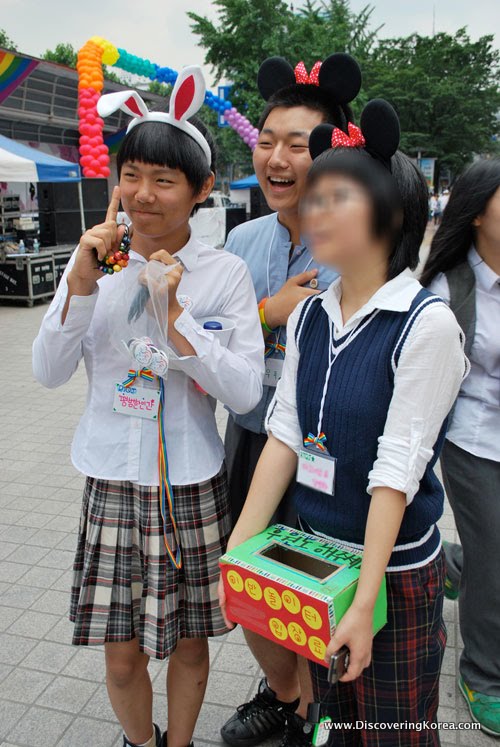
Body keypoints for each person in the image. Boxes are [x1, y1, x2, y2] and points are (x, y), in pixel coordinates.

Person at [220, 99, 468, 746]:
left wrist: (363, 606)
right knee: (332, 722)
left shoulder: (426, 324)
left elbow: (397, 469)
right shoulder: (309, 314)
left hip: (391, 574)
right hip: (315, 555)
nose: (315, 210)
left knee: (392, 729)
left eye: (340, 198)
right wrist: (238, 556)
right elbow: (284, 433)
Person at [32, 67, 264, 747]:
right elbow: (46, 372)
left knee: (191, 645)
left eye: (164, 180)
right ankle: (140, 742)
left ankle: (180, 743)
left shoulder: (222, 273)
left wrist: (177, 319)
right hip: (110, 479)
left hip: (192, 483)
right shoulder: (99, 262)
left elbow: (247, 393)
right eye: (131, 175)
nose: (142, 194)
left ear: (200, 190)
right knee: (120, 649)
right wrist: (78, 285)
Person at [221, 54, 362, 747]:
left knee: (316, 591)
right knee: (249, 580)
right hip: (248, 436)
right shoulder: (242, 240)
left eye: (298, 144)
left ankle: (320, 708)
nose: (276, 157)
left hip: (325, 454)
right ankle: (284, 696)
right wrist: (265, 312)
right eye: (267, 138)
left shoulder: (358, 244)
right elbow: (206, 332)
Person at [421, 158, 500, 737]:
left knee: (490, 551)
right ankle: (483, 674)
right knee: (498, 551)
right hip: (475, 440)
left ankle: (455, 563)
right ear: (476, 215)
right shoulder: (450, 287)